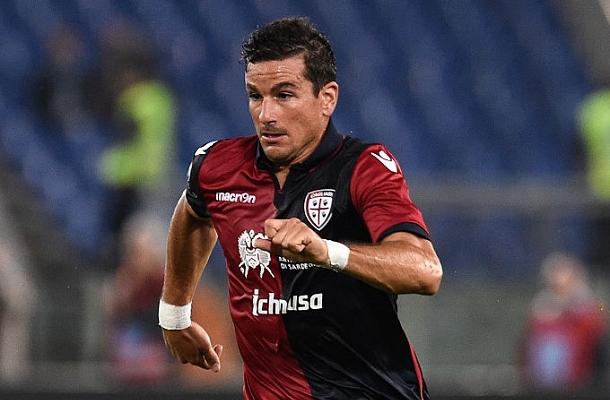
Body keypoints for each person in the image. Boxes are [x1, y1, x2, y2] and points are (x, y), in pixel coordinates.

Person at [159, 17, 443, 400]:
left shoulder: (364, 168)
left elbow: (426, 272)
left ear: (327, 98)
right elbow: (194, 211)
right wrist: (174, 314)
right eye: (255, 96)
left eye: (284, 95)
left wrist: (326, 252)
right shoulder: (217, 167)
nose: (266, 114)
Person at [519, 252, 607, 392]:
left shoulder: (587, 307)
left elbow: (595, 335)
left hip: (577, 383)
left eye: (563, 273)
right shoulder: (540, 307)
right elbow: (527, 346)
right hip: (542, 383)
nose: (558, 279)